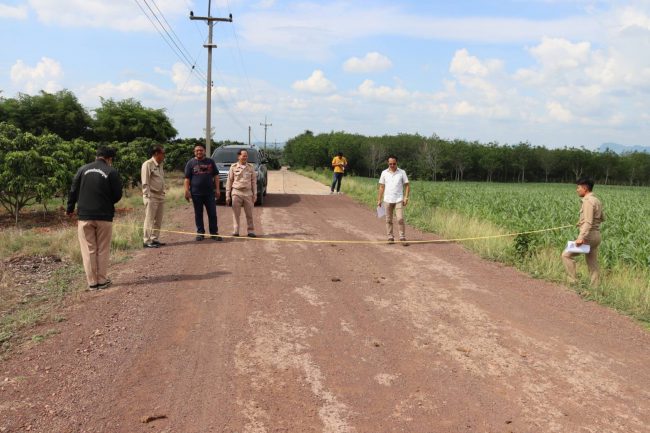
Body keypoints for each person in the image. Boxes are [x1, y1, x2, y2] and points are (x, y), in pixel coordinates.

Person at [66, 146, 123, 290]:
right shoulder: (111, 171)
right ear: (109, 159)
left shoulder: (82, 169)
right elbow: (118, 195)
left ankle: (92, 283)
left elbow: (73, 190)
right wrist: (106, 202)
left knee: (89, 249)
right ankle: (102, 281)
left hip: (84, 216)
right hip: (104, 217)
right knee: (103, 249)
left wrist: (70, 209)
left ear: (97, 156)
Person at [561, 177, 605, 286]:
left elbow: (589, 222)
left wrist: (581, 237)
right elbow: (602, 217)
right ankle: (595, 288)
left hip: (588, 237)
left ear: (585, 188)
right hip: (597, 236)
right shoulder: (596, 200)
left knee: (566, 255)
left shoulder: (588, 202)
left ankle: (573, 281)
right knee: (592, 263)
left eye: (578, 187)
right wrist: (581, 221)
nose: (577, 190)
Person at [184, 144, 222, 241]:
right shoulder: (190, 163)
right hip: (196, 194)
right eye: (197, 150)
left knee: (212, 213)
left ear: (204, 151)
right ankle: (200, 233)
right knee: (198, 213)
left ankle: (214, 233)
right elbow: (187, 178)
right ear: (194, 152)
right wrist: (186, 191)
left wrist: (217, 189)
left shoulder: (210, 161)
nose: (199, 152)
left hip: (209, 193)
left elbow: (216, 176)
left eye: (201, 150)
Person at [377, 156, 410, 243]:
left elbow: (407, 185)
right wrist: (379, 199)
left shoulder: (402, 172)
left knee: (400, 218)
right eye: (390, 163)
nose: (392, 165)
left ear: (397, 163)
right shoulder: (384, 173)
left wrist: (406, 197)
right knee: (388, 219)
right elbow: (381, 187)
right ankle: (390, 237)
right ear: (388, 163)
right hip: (387, 199)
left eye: (394, 163)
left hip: (399, 199)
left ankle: (402, 237)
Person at [226, 149, 257, 237]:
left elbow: (254, 182)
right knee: (236, 213)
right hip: (236, 192)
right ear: (239, 156)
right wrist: (227, 195)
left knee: (249, 213)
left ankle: (251, 231)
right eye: (243, 156)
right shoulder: (233, 167)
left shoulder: (251, 167)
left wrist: (255, 194)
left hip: (248, 193)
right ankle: (236, 231)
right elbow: (229, 181)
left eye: (246, 156)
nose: (245, 157)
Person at [141, 145, 166, 248]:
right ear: (156, 154)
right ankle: (146, 241)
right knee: (150, 219)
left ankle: (154, 238)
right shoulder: (147, 164)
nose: (164, 156)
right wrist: (147, 195)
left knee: (158, 219)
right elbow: (145, 181)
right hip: (151, 196)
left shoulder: (160, 165)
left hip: (160, 195)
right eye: (162, 153)